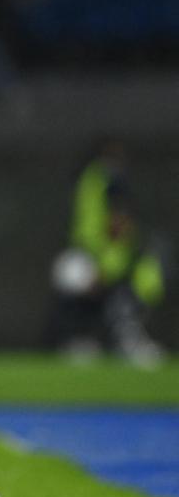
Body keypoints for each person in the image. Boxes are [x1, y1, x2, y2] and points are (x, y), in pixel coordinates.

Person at [50, 140, 165, 365]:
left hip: (112, 256)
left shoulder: (94, 178)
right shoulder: (103, 178)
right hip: (101, 254)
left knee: (125, 294)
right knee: (84, 285)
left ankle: (126, 341)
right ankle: (86, 340)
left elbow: (116, 224)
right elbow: (115, 223)